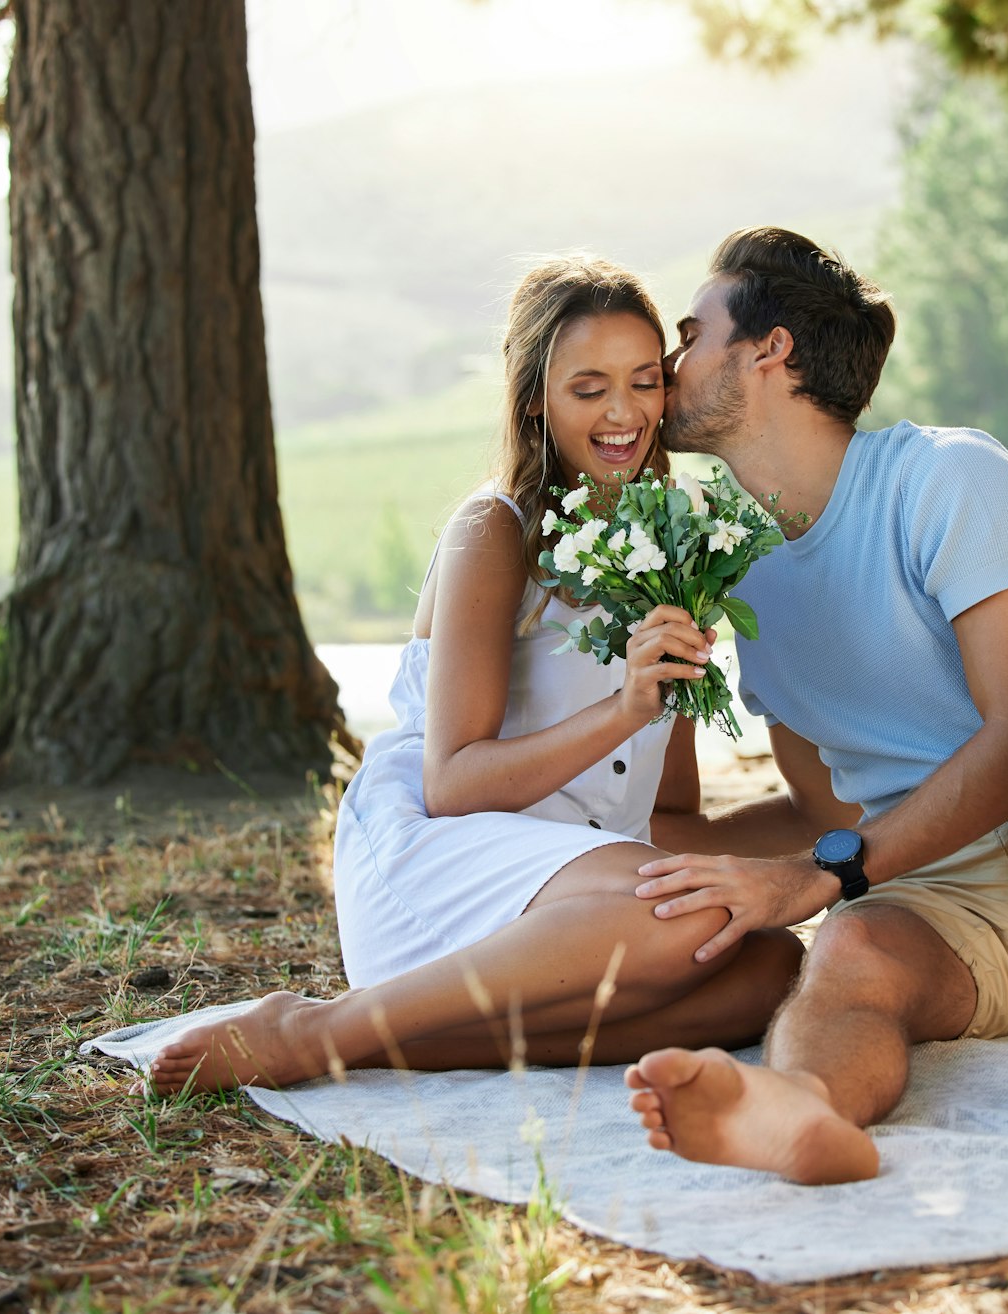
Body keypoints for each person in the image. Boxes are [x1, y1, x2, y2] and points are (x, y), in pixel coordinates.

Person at [622, 227, 1008, 1182]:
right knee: (849, 954)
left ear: (768, 351)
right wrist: (647, 860)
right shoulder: (742, 579)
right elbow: (829, 818)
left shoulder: (946, 477)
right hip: (943, 913)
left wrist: (819, 874)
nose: (668, 364)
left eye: (689, 334)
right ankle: (801, 1111)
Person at [148, 257, 804, 1094]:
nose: (624, 412)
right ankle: (315, 1031)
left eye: (645, 381)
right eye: (589, 387)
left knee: (770, 962)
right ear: (534, 396)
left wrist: (825, 849)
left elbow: (667, 815)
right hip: (442, 860)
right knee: (693, 914)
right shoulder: (493, 532)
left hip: (581, 897)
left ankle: (397, 1046)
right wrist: (625, 707)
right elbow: (453, 782)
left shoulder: (667, 553)